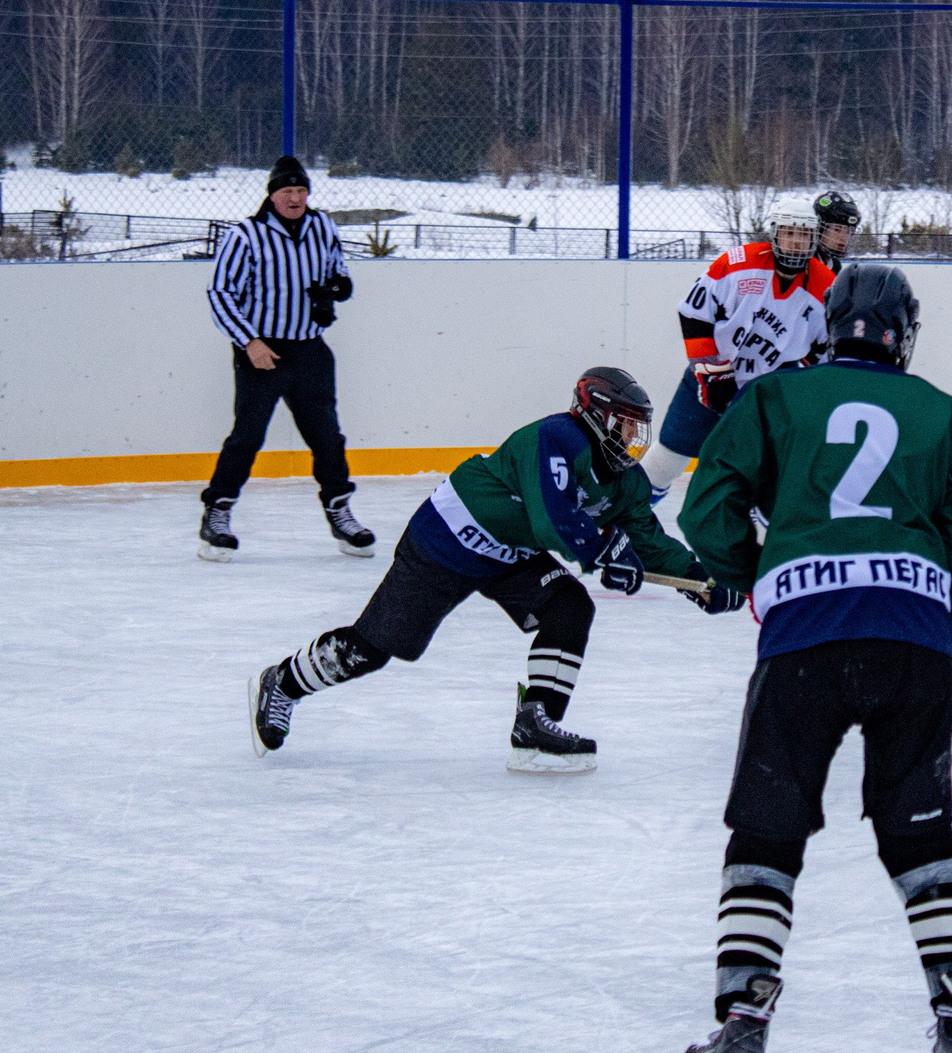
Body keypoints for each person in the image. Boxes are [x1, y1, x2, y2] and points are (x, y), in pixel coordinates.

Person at [674, 263, 952, 1053]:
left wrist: (761, 572)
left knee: (767, 829)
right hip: (913, 643)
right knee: (921, 834)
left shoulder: (776, 398)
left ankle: (743, 1021)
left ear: (831, 326)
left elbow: (705, 508)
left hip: (805, 643)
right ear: (905, 335)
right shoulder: (949, 415)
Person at [248, 367, 744, 773]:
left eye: (639, 428)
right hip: (447, 539)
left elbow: (649, 541)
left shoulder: (626, 483)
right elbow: (551, 518)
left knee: (569, 606)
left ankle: (536, 724)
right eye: (624, 425)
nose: (633, 440)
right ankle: (283, 682)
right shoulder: (556, 437)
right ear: (593, 414)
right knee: (372, 649)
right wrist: (601, 551)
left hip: (511, 555)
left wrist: (700, 579)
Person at [199, 155, 372, 562]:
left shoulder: (323, 226)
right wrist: (249, 342)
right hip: (264, 352)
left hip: (311, 350)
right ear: (272, 195)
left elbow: (337, 269)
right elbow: (220, 294)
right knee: (248, 436)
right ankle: (217, 512)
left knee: (327, 437)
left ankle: (339, 509)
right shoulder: (246, 235)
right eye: (286, 191)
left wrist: (334, 288)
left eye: (300, 190)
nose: (295, 198)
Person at [637, 198, 842, 502]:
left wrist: (809, 395)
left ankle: (777, 543)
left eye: (804, 235)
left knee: (778, 476)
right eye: (789, 233)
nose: (796, 242)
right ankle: (629, 520)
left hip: (772, 388)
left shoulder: (826, 286)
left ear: (814, 239)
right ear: (774, 233)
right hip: (714, 374)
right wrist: (707, 371)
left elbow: (823, 355)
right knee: (666, 459)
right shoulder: (738, 263)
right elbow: (693, 314)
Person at [810, 189, 861, 270]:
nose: (844, 238)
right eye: (837, 230)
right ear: (819, 228)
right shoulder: (804, 263)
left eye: (849, 231)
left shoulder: (834, 265)